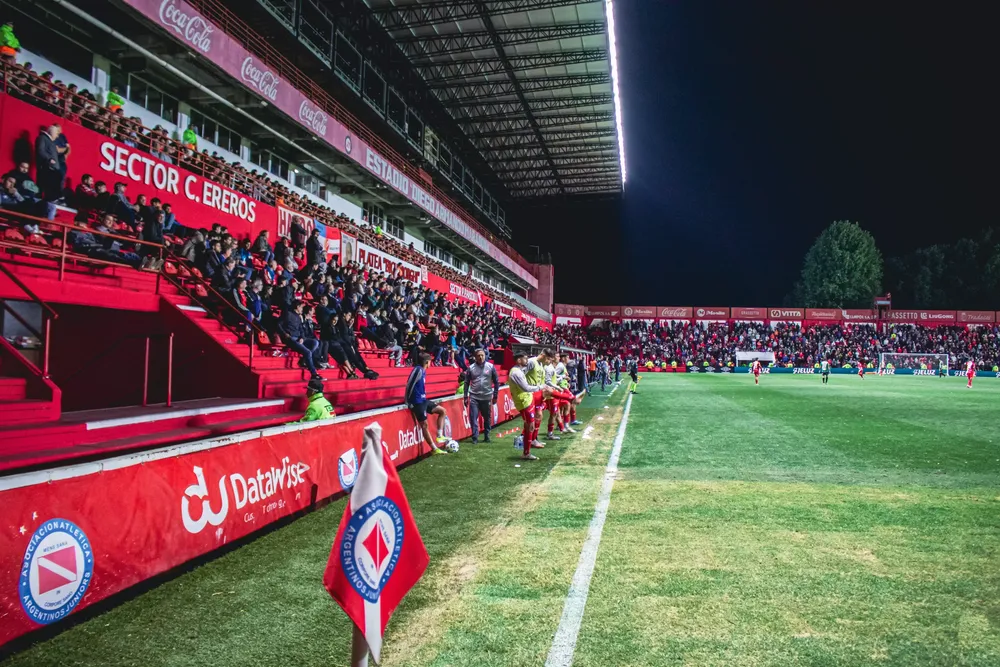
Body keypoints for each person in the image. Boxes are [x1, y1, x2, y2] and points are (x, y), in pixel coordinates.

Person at [507, 351, 551, 461]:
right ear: (519, 360)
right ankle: (526, 452)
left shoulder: (520, 371)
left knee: (530, 424)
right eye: (525, 358)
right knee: (530, 425)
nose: (527, 360)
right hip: (523, 401)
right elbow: (526, 388)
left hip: (527, 399)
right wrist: (540, 387)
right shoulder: (516, 373)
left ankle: (527, 450)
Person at [405, 353, 449, 455]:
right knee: (424, 425)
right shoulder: (418, 370)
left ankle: (439, 435)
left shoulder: (423, 371)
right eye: (430, 361)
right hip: (417, 402)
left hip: (423, 400)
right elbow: (409, 384)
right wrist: (407, 401)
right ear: (426, 362)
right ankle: (434, 449)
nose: (431, 363)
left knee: (442, 411)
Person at [277, 300, 324, 380]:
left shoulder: (298, 317)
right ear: (297, 307)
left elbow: (301, 329)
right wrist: (284, 334)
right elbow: (278, 324)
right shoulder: (287, 314)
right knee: (308, 352)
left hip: (299, 338)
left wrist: (302, 338)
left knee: (315, 342)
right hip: (291, 338)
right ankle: (314, 374)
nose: (302, 309)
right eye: (301, 307)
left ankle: (304, 359)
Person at [464, 348, 499, 443]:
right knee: (473, 417)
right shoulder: (471, 368)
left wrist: (495, 396)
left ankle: (487, 436)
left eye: (482, 355)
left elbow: (496, 382)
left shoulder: (491, 367)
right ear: (475, 357)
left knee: (487, 417)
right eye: (478, 355)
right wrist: (465, 397)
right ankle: (475, 437)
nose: (480, 357)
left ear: (485, 355)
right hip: (474, 397)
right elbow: (466, 382)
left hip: (487, 397)